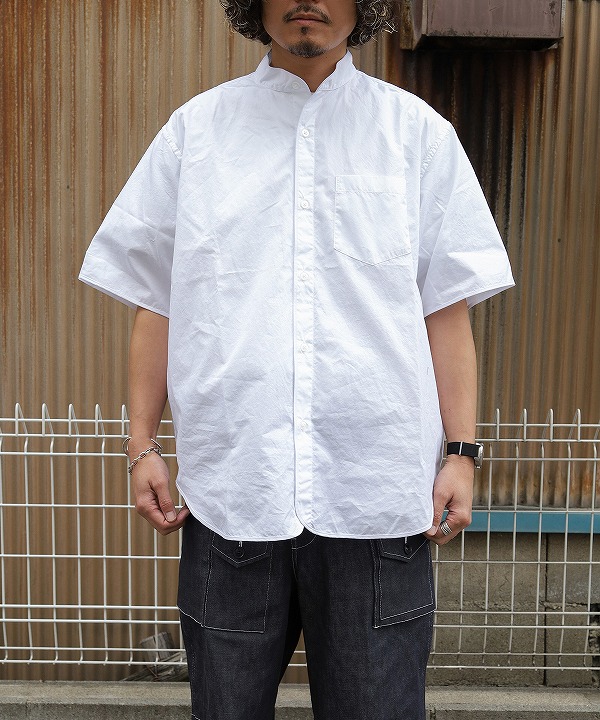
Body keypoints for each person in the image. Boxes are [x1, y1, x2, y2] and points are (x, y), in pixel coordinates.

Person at [79, 1, 514, 717]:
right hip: (233, 496)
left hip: (375, 498)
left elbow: (447, 307)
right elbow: (157, 299)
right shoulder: (197, 134)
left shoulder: (417, 136)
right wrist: (142, 445)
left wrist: (461, 453)